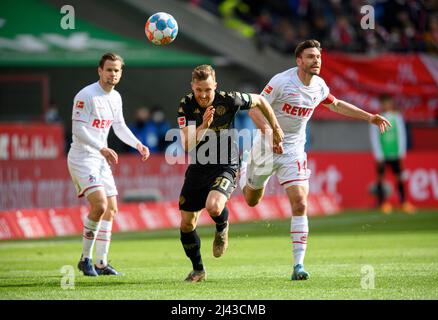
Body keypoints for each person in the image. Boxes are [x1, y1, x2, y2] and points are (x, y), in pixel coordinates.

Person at [239, 39, 391, 281]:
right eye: (310, 57)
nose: (316, 61)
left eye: (318, 57)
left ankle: (298, 265)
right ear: (299, 61)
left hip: (294, 151)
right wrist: (271, 134)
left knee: (299, 202)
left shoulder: (319, 86)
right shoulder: (281, 81)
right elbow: (255, 109)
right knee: (251, 200)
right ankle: (245, 174)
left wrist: (369, 117)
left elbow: (337, 105)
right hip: (265, 148)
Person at [177, 64, 284, 282]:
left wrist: (275, 128)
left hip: (226, 165)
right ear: (192, 87)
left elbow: (261, 101)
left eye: (208, 89)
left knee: (214, 206)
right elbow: (187, 145)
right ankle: (198, 270)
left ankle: (222, 227)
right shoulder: (186, 105)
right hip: (198, 168)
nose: (204, 95)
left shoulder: (229, 99)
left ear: (215, 86)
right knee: (187, 223)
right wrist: (204, 125)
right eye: (199, 90)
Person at [67, 53, 150, 276]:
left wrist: (138, 144)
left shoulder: (116, 97)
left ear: (121, 73)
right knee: (100, 205)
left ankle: (101, 263)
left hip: (100, 159)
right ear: (100, 71)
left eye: (117, 70)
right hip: (83, 157)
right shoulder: (86, 95)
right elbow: (78, 130)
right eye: (109, 70)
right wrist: (100, 147)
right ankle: (85, 259)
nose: (113, 74)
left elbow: (120, 126)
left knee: (111, 209)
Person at [370, 94, 415, 214]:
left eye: (388, 102)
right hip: (382, 154)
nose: (386, 105)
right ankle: (383, 203)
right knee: (381, 178)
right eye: (383, 103)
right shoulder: (376, 118)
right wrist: (378, 154)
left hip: (395, 153)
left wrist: (401, 152)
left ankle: (403, 202)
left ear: (391, 104)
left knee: (399, 177)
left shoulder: (397, 117)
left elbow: (401, 135)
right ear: (381, 104)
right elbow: (374, 137)